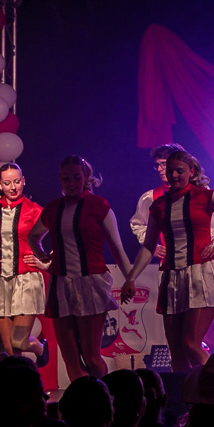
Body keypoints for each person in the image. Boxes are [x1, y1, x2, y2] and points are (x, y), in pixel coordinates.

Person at [122, 149, 214, 373]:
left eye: (179, 171)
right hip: (173, 276)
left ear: (191, 172)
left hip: (202, 273)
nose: (174, 175)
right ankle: (185, 394)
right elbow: (149, 246)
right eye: (170, 171)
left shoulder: (204, 195)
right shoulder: (159, 205)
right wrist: (131, 278)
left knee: (191, 343)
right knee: (177, 351)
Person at [31, 156, 133, 381]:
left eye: (76, 177)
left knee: (92, 357)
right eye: (66, 178)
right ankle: (83, 401)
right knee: (71, 359)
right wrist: (43, 256)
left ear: (85, 177)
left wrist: (130, 278)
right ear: (60, 179)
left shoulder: (98, 205)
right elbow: (33, 236)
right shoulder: (53, 208)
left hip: (91, 282)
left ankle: (104, 397)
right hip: (60, 284)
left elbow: (116, 246)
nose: (71, 183)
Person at [0, 162, 49, 362]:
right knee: (9, 349)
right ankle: (24, 382)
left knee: (19, 342)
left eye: (17, 181)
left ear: (23, 181)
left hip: (27, 280)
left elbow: (59, 242)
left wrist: (44, 262)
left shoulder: (35, 210)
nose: (13, 187)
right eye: (7, 183)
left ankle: (39, 347)